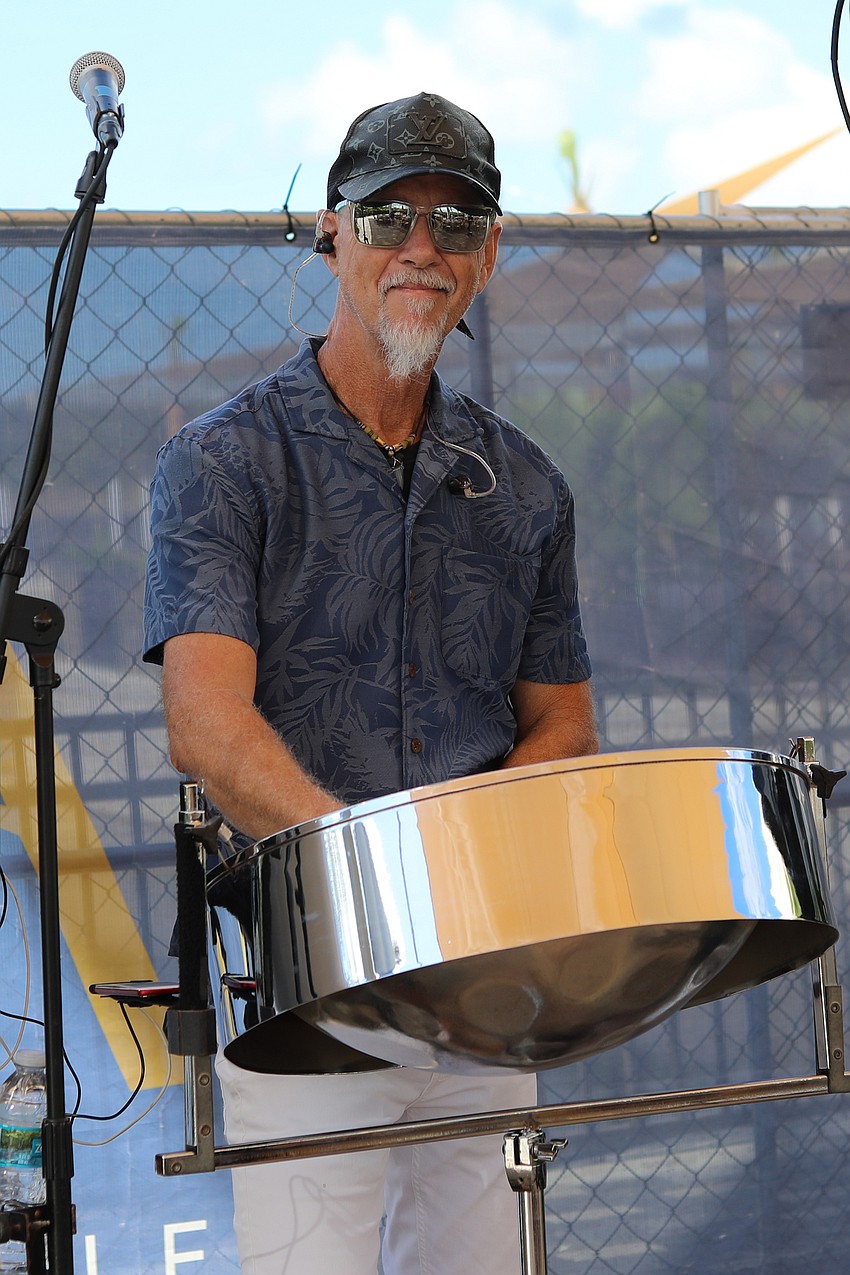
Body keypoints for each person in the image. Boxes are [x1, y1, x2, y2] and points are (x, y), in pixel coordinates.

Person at [144, 91, 597, 1275]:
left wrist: (466, 871)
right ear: (332, 234)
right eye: (389, 214)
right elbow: (205, 725)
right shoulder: (222, 459)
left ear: (488, 257)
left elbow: (564, 720)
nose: (420, 248)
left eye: (456, 226)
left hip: (489, 982)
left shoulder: (529, 486)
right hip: (306, 989)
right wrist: (383, 886)